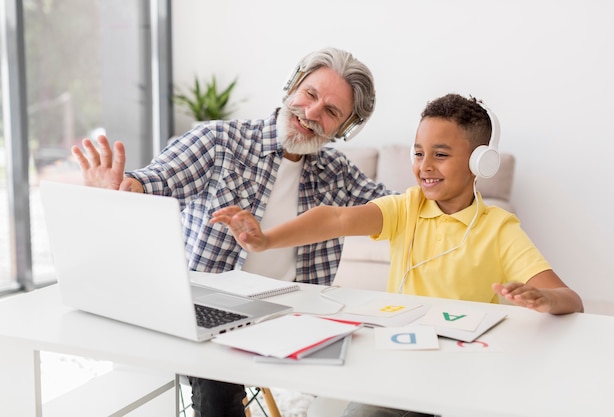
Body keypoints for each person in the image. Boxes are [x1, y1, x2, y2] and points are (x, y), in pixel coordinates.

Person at [211, 93, 584, 417]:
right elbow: (335, 217)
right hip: (403, 367)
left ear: (479, 163)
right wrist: (265, 239)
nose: (424, 166)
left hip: (466, 376)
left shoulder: (499, 228)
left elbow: (571, 300)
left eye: (440, 154)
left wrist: (543, 297)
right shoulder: (407, 207)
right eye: (419, 153)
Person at [71, 47, 392, 417]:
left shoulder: (337, 172)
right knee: (217, 391)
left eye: (332, 111)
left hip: (296, 315)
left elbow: (397, 208)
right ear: (292, 86)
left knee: (366, 369)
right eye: (310, 94)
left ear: (344, 128)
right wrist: (122, 188)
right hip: (216, 312)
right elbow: (156, 181)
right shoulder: (219, 141)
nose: (313, 113)